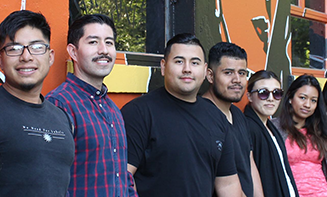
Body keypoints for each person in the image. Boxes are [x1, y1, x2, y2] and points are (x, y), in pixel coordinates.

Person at [122, 33, 243, 197]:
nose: (187, 68)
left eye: (195, 62)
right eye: (179, 61)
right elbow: (122, 178)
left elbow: (228, 184)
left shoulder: (217, 117)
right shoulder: (138, 113)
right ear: (164, 67)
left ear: (205, 70)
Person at [45, 14, 136, 196]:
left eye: (109, 42)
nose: (104, 50)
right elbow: (51, 182)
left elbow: (122, 176)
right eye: (93, 42)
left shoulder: (113, 109)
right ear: (73, 52)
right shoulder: (59, 104)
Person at [0, 10, 75, 196]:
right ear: (0, 60)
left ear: (50, 56)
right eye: (14, 48)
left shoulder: (62, 117)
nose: (26, 57)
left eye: (36, 47)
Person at [202, 42, 263, 197]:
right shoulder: (202, 116)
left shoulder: (238, 115)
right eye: (228, 72)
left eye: (242, 73)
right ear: (210, 75)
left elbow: (249, 163)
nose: (237, 79)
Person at [274, 75, 327, 197]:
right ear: (290, 97)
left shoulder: (320, 130)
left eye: (313, 100)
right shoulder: (274, 128)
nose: (307, 105)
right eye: (302, 98)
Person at [243, 70, 299, 197]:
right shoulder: (248, 127)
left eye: (277, 93)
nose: (271, 99)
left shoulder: (270, 127)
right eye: (263, 93)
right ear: (250, 96)